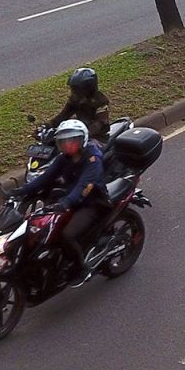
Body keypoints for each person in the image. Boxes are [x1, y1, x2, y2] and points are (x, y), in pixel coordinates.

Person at [10, 119, 108, 287]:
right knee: (39, 230)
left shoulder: (93, 159)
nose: (67, 145)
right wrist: (21, 191)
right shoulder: (64, 158)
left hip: (91, 203)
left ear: (82, 140)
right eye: (63, 141)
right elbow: (45, 178)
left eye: (72, 141)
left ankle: (81, 269)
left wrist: (66, 203)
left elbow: (84, 187)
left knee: (65, 235)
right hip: (68, 199)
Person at [51, 67, 110, 142]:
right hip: (80, 133)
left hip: (98, 137)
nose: (74, 91)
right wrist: (47, 126)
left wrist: (83, 134)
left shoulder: (100, 101)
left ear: (88, 88)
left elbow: (99, 123)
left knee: (91, 149)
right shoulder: (75, 99)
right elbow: (63, 115)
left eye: (77, 88)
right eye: (73, 88)